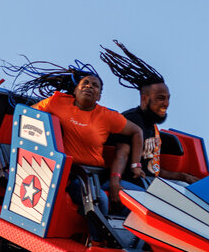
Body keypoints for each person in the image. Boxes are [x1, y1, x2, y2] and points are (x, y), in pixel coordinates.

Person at [10, 60, 144, 214]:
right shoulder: (57, 102)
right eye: (85, 83)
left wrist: (136, 165)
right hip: (73, 176)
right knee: (99, 199)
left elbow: (137, 132)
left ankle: (133, 237)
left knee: (140, 197)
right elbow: (26, 116)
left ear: (99, 96)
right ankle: (97, 238)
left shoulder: (107, 116)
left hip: (98, 176)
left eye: (95, 85)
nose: (89, 86)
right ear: (75, 90)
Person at [100, 40, 199, 188]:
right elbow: (122, 154)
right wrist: (115, 182)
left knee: (191, 190)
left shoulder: (152, 126)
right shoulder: (131, 119)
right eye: (160, 98)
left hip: (150, 182)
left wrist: (182, 176)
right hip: (131, 184)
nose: (166, 103)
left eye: (167, 98)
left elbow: (153, 170)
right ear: (145, 98)